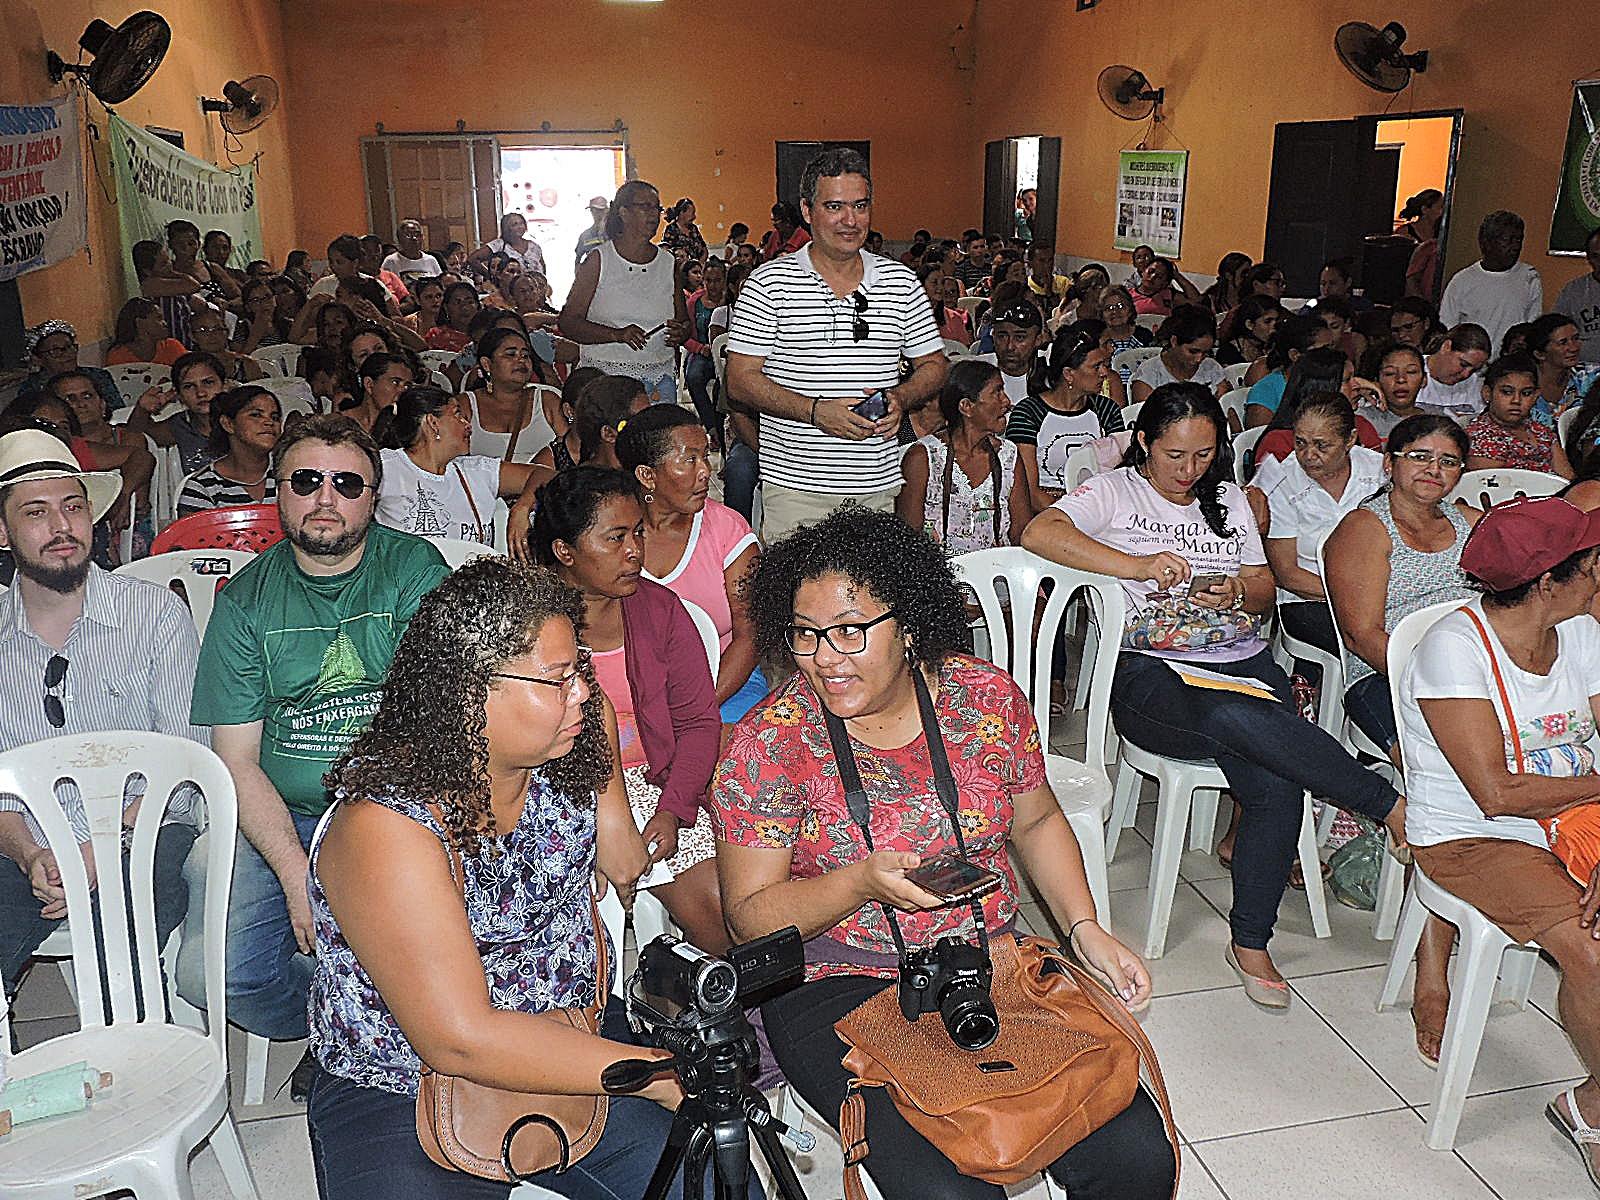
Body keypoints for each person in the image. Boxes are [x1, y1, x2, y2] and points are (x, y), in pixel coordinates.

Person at [713, 507, 1175, 1200]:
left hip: (989, 957)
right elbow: (750, 918)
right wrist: (860, 883)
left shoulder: (982, 699)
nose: (824, 658)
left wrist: (1085, 930)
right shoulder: (769, 745)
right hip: (835, 980)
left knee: (1135, 1155)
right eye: (806, 635)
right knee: (946, 1190)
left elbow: (1040, 818)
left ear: (907, 625)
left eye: (849, 631)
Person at [303, 556, 746, 1200]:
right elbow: (460, 1038)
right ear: (467, 691)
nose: (584, 696)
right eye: (557, 680)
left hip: (571, 1036)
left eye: (580, 673)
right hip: (403, 1079)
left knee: (722, 1187)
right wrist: (656, 1071)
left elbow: (603, 771)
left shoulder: (556, 761)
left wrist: (614, 810)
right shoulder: (384, 826)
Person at [1023, 383, 1411, 1004]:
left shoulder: (1227, 499)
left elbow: (1263, 589)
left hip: (1241, 660)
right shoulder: (1116, 492)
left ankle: (1250, 941)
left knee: (1272, 766)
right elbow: (1040, 532)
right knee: (1242, 719)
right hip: (1153, 673)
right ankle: (1387, 805)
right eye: (1175, 455)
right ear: (1144, 443)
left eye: (1203, 455)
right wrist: (1140, 565)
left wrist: (1233, 592)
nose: (1189, 470)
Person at [177, 415, 451, 1077]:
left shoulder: (414, 570)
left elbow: (439, 720)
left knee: (398, 928)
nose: (325, 497)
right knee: (221, 978)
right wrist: (299, 875)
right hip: (282, 813)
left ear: (372, 498)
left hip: (394, 804)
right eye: (306, 480)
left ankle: (369, 1016)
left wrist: (363, 844)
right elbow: (237, 760)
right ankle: (337, 1013)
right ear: (278, 493)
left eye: (346, 483)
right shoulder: (246, 602)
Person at [1396, 495, 1600, 1167]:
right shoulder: (1454, 651)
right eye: (1590, 565)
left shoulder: (1582, 634)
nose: (1599, 575)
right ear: (1548, 583)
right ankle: (1594, 1114)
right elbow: (1496, 793)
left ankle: (1588, 1104)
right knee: (1591, 950)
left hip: (1575, 818)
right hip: (1473, 839)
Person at [0, 430, 202, 997]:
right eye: (35, 512)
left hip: (142, 829)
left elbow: (188, 765)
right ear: (2, 531)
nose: (61, 528)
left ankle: (131, 1036)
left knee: (130, 908)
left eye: (73, 506)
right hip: (28, 841)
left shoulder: (154, 616)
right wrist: (29, 852)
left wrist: (94, 850)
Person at [531, 467, 726, 950]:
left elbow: (700, 724)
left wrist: (674, 809)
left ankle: (697, 1003)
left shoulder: (660, 611)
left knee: (722, 909)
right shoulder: (524, 623)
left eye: (637, 533)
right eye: (615, 538)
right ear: (565, 551)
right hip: (555, 789)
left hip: (656, 782)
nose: (634, 551)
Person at [725, 149, 947, 540]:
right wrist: (814, 412)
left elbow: (934, 366)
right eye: (835, 207)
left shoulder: (901, 283)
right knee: (793, 600)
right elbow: (740, 380)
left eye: (860, 206)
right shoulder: (768, 284)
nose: (850, 220)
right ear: (808, 211)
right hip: (795, 491)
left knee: (868, 601)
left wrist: (901, 396)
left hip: (875, 488)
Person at [615, 406, 766, 723]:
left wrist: (697, 707)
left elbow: (749, 636)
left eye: (705, 456)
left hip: (726, 682)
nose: (705, 471)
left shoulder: (727, 530)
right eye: (689, 460)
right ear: (647, 476)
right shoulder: (613, 535)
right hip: (633, 686)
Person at [1252, 392, 1386, 656]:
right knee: (1366, 640)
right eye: (1300, 443)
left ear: (1350, 439)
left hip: (1380, 588)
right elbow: (1287, 574)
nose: (1308, 455)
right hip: (1309, 597)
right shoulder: (1281, 480)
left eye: (1322, 446)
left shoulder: (1378, 471)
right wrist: (1355, 595)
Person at [560, 180, 686, 405]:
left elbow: (684, 322)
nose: (654, 214)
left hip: (659, 379)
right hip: (607, 380)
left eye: (657, 208)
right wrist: (616, 335)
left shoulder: (668, 263)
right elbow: (568, 322)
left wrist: (681, 332)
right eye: (645, 207)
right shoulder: (599, 260)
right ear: (624, 212)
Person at [900, 357, 1030, 549]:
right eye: (997, 392)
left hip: (996, 570)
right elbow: (907, 537)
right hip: (937, 573)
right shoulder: (923, 458)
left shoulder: (1008, 456)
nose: (1007, 402)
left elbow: (1020, 531)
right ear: (966, 407)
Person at [1005, 322, 1124, 513]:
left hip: (1099, 507)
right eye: (1096, 367)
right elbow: (1028, 490)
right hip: (1045, 512)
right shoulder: (1028, 413)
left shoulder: (1106, 409)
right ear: (1069, 374)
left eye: (1105, 365)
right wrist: (1070, 516)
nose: (1104, 373)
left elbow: (1119, 475)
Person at [1440, 211, 1543, 353]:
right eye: (1508, 240)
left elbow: (1533, 326)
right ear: (1486, 243)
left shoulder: (1530, 276)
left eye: (1518, 240)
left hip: (1511, 365)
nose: (1515, 247)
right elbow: (1448, 329)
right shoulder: (1462, 281)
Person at [177, 385, 283, 515]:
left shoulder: (289, 474)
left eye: (275, 417)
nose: (269, 422)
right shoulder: (202, 487)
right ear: (228, 424)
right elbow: (194, 535)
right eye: (256, 415)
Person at [463, 326, 558, 465]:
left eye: (525, 355)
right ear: (487, 364)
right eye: (511, 354)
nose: (521, 360)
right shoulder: (465, 405)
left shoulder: (547, 401)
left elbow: (571, 450)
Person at [1465, 354, 1573, 477]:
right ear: (1487, 393)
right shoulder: (1480, 437)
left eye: (1526, 393)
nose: (1516, 400)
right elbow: (1489, 488)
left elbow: (1567, 478)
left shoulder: (1541, 432)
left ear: (1536, 396)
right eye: (1507, 392)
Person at [127, 351, 226, 475]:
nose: (201, 393)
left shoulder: (243, 420)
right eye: (189, 386)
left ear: (224, 385)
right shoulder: (181, 425)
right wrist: (142, 410)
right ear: (179, 395)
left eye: (208, 383)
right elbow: (136, 437)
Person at [1242, 313, 1336, 427]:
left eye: (1332, 348)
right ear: (1295, 355)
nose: (1331, 355)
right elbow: (1260, 441)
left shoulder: (1334, 380)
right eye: (1324, 350)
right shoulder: (1265, 392)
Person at [15, 321, 123, 417]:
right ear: (38, 359)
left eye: (69, 347)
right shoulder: (32, 388)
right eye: (56, 351)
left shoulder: (98, 376)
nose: (67, 354)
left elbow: (117, 412)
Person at [1129, 306, 1227, 404]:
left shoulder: (1212, 368)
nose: (1199, 359)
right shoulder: (1149, 374)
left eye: (1206, 353)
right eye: (1193, 351)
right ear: (1174, 341)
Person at [684, 256, 730, 446]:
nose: (712, 286)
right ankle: (712, 428)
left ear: (725, 281)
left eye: (717, 281)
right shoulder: (695, 302)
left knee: (723, 386)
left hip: (727, 355)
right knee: (693, 377)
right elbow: (685, 335)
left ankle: (725, 427)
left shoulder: (732, 300)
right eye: (708, 281)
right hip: (702, 351)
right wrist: (699, 347)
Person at [1530, 311, 1600, 420]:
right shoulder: (1522, 386)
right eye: (1563, 342)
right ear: (1540, 354)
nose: (1574, 348)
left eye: (1576, 338)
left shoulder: (1591, 377)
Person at [1416, 323, 1493, 420]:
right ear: (1446, 346)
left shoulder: (1477, 385)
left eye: (1474, 370)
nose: (1466, 374)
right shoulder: (1410, 371)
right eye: (1463, 364)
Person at [1358, 341, 1427, 439]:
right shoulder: (1361, 418)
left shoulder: (1439, 420)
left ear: (1424, 380)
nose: (1401, 379)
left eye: (1411, 372)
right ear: (1376, 381)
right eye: (1390, 373)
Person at [1555, 226, 1600, 362]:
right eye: (1596, 256)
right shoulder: (1574, 291)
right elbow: (1555, 331)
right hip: (1584, 374)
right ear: (1589, 259)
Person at [187, 308, 266, 382]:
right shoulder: (187, 369)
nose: (212, 335)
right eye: (203, 330)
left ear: (227, 332)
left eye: (217, 329)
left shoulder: (247, 364)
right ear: (192, 336)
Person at [105, 298, 189, 366]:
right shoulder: (118, 355)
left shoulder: (172, 347)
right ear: (140, 323)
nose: (165, 323)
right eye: (159, 318)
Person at [1100, 285, 1154, 388]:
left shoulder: (1144, 336)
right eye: (1108, 308)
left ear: (1130, 309)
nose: (1115, 312)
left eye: (1121, 306)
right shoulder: (1099, 339)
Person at [471, 211, 548, 280]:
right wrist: (491, 277)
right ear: (506, 228)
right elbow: (473, 259)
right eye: (515, 224)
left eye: (521, 223)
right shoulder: (499, 245)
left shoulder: (534, 246)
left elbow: (542, 267)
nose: (520, 227)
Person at [1216, 295, 1280, 367]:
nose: (1275, 327)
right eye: (1267, 321)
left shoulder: (1278, 348)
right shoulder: (1228, 353)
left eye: (1277, 321)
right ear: (1249, 324)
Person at [1130, 257, 1201, 318]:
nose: (1152, 277)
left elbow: (1196, 300)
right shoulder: (1127, 295)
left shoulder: (1169, 295)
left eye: (1159, 276)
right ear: (1143, 272)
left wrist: (1177, 276)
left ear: (1165, 284)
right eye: (1151, 271)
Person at [233, 277, 290, 353]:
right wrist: (255, 335)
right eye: (256, 300)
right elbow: (239, 359)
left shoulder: (286, 324)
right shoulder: (242, 329)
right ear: (248, 307)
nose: (263, 303)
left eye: (267, 297)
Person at [424, 281, 481, 352]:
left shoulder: (488, 333)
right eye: (457, 302)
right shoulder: (436, 335)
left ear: (477, 305)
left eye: (470, 302)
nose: (464, 307)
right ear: (446, 308)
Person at [1203, 252, 1252, 317]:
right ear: (1229, 275)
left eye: (1250, 273)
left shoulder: (1250, 299)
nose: (1247, 277)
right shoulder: (1210, 301)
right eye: (1244, 273)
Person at [575, 194, 610, 268]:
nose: (598, 214)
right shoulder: (585, 236)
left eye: (601, 211)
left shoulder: (614, 233)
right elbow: (578, 259)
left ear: (607, 211)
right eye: (594, 211)